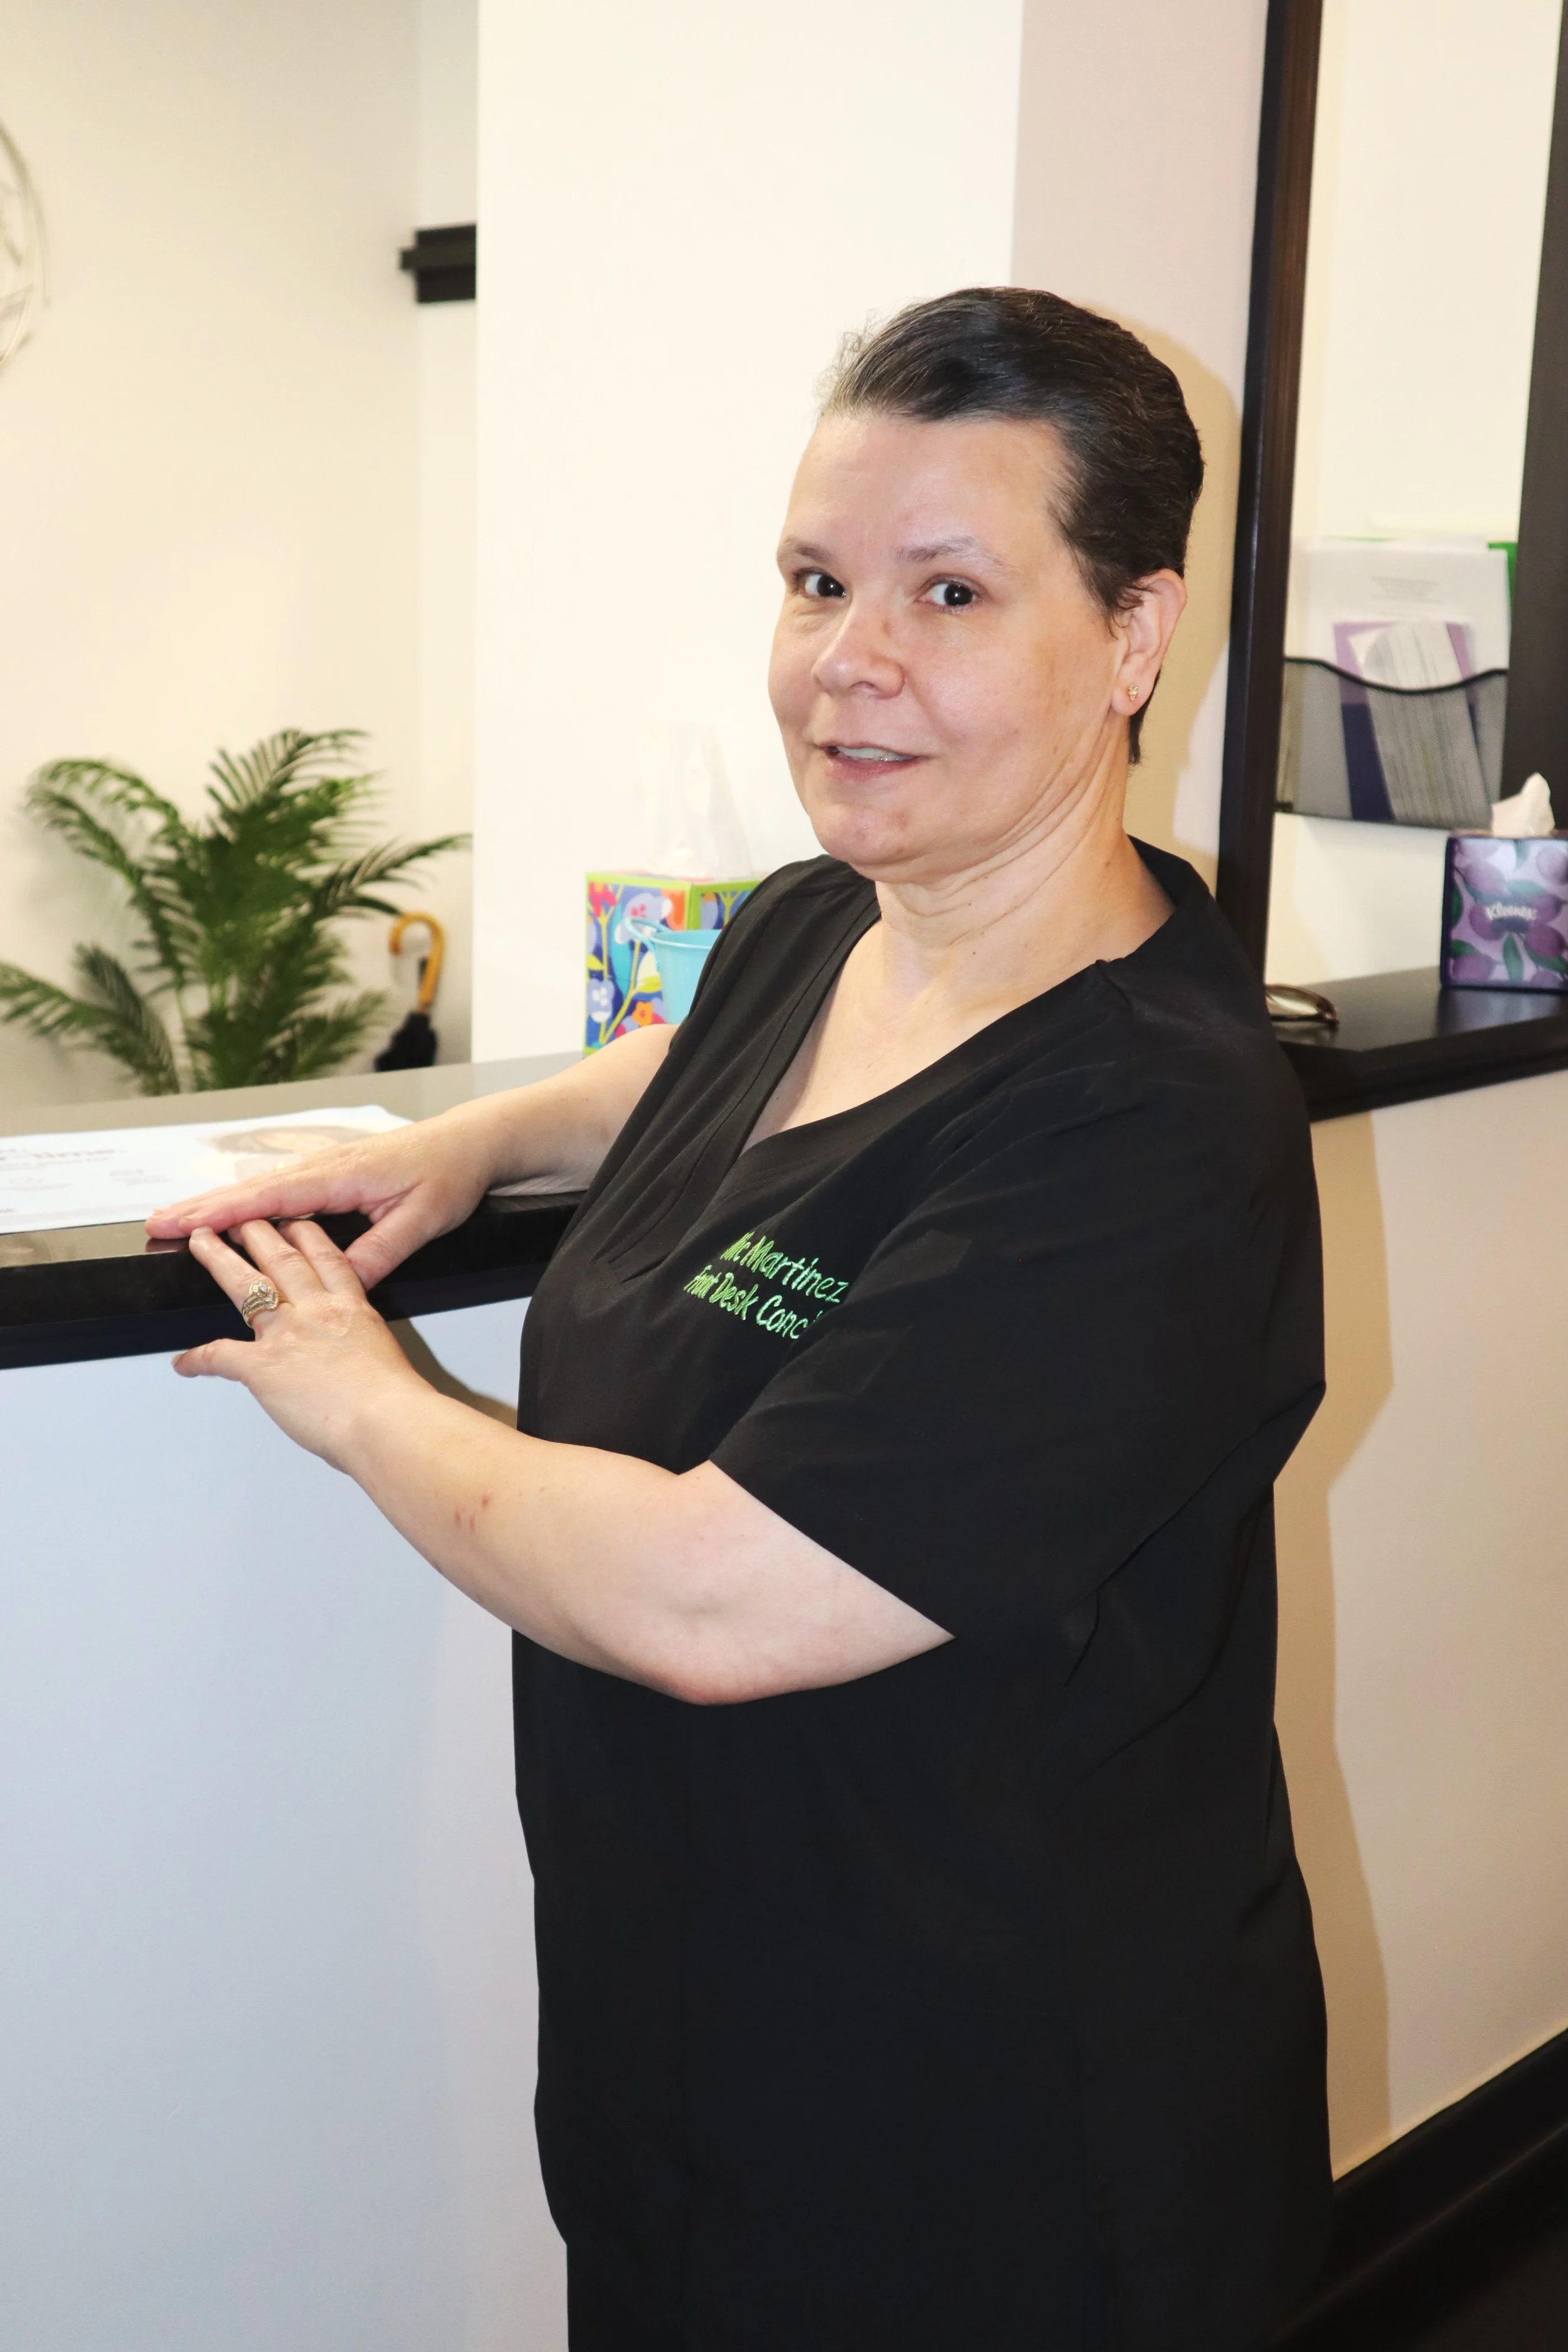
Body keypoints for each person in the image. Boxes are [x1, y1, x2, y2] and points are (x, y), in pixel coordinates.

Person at [149, 288, 1332, 2352]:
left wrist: (359, 1394)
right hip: (692, 2041)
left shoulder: (1148, 1125)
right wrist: (475, 1145)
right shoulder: (820, 920)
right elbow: (679, 1068)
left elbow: (722, 1604)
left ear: (1132, 637)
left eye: (948, 591)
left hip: (999, 2136)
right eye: (814, 581)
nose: (846, 664)